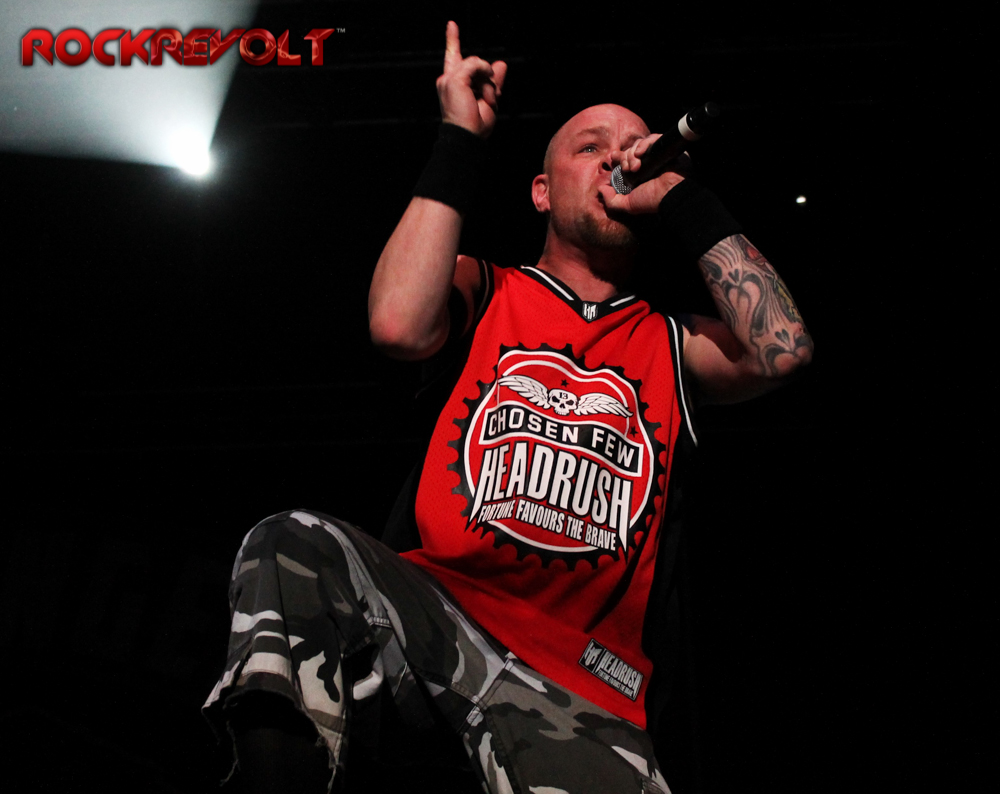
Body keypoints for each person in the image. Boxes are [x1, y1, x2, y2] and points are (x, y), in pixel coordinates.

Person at [203, 21, 813, 794]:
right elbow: (396, 325)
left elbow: (783, 350)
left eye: (633, 146)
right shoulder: (488, 288)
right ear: (541, 190)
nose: (619, 158)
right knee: (292, 544)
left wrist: (683, 194)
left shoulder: (671, 341)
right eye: (591, 147)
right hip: (437, 617)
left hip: (583, 686)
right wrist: (459, 139)